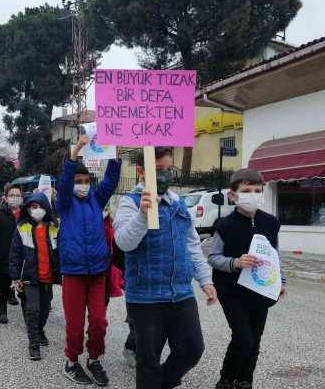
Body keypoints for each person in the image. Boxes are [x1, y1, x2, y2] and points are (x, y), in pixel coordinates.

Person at [113, 147, 217, 389]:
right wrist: (142, 214)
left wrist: (206, 280)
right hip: (146, 297)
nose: (165, 175)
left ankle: (164, 383)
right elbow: (124, 243)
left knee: (193, 348)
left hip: (181, 293)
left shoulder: (178, 203)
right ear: (141, 171)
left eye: (168, 169)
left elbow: (192, 244)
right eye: (158, 170)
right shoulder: (130, 202)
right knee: (148, 360)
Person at [208, 169, 287, 389]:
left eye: (257, 190)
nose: (252, 195)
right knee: (243, 338)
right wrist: (235, 263)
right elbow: (213, 258)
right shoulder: (224, 225)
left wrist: (281, 281)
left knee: (255, 338)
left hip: (260, 290)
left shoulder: (270, 222)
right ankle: (226, 379)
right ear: (233, 196)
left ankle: (245, 380)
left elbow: (275, 255)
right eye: (246, 191)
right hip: (231, 290)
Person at [57, 135, 121, 386]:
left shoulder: (97, 199)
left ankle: (94, 359)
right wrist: (76, 152)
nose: (82, 185)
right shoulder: (65, 204)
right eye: (78, 181)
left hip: (97, 273)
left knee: (99, 322)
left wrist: (114, 156)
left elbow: (111, 181)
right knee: (74, 325)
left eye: (86, 181)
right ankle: (71, 361)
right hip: (73, 274)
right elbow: (63, 184)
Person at [9, 193, 60, 361]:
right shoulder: (21, 228)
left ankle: (39, 331)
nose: (37, 210)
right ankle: (34, 344)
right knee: (33, 310)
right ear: (28, 209)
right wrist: (16, 277)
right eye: (33, 207)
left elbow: (62, 251)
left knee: (45, 311)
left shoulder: (55, 227)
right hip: (29, 277)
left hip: (48, 278)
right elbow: (15, 253)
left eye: (40, 206)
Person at [0, 184, 23, 324]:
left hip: (23, 258)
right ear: (6, 197)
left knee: (25, 288)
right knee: (2, 286)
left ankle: (30, 316)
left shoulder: (27, 215)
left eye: (17, 195)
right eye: (12, 195)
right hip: (4, 256)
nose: (14, 198)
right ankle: (2, 311)